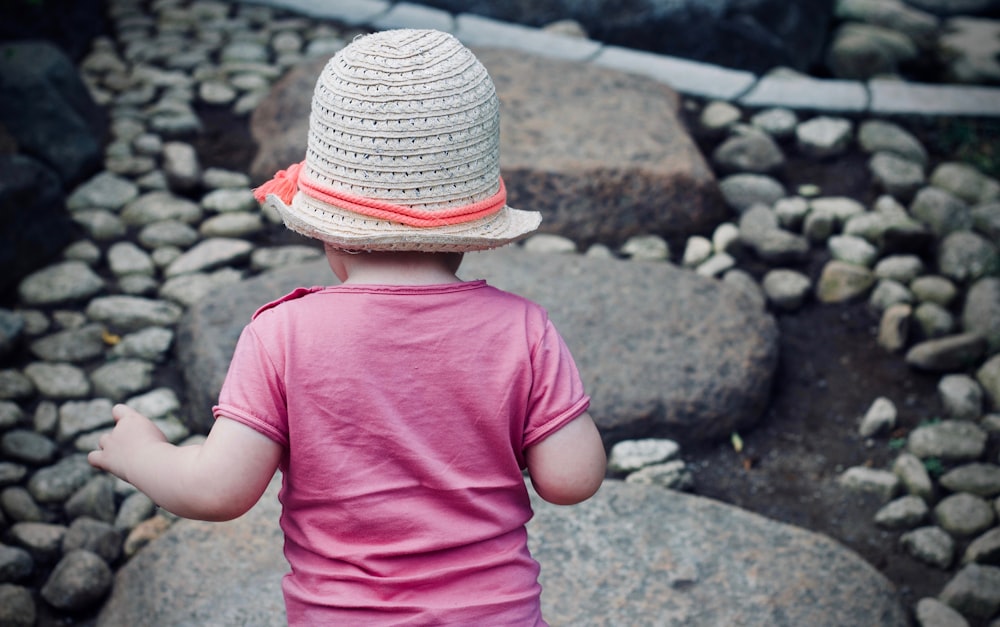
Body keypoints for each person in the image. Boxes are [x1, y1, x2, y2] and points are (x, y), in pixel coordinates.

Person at [88, 29, 606, 625]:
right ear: (471, 231)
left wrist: (142, 454)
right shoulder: (523, 329)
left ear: (327, 229)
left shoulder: (281, 336)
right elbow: (572, 478)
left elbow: (217, 491)